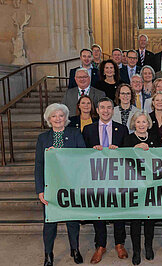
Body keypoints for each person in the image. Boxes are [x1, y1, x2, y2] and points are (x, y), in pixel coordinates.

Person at [35, 103, 85, 265]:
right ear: (49, 119)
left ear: (66, 118)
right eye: (54, 116)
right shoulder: (43, 138)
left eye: (61, 115)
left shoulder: (75, 133)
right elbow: (39, 165)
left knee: (72, 220)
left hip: (71, 185)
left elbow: (83, 159)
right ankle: (48, 254)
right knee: (50, 223)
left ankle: (75, 249)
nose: (58, 119)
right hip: (51, 187)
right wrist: (40, 189)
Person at [82, 97, 129, 264]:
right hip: (96, 179)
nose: (106, 111)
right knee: (99, 212)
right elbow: (81, 155)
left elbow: (128, 155)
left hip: (117, 179)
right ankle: (100, 245)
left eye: (109, 107)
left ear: (113, 110)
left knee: (118, 211)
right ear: (97, 109)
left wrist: (119, 152)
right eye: (102, 107)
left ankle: (119, 243)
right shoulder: (88, 130)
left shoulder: (122, 129)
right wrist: (91, 151)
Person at [122, 110, 160, 265]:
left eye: (144, 121)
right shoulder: (128, 139)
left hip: (150, 185)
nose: (142, 124)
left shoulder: (155, 137)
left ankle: (148, 246)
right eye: (138, 122)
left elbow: (160, 157)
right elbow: (123, 159)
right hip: (134, 186)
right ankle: (136, 251)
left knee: (149, 220)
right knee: (136, 221)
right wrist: (135, 148)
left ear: (148, 123)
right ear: (134, 124)